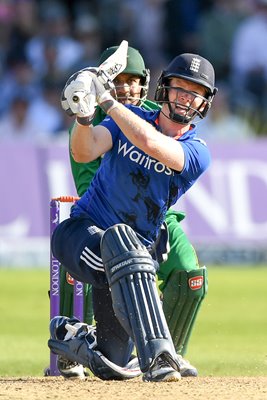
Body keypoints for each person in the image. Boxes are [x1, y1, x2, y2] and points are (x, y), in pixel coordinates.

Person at [48, 51, 217, 382]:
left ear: (205, 103)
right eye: (180, 87)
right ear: (164, 90)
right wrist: (84, 117)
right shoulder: (127, 118)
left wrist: (108, 101)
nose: (186, 97)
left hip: (129, 258)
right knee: (124, 246)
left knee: (114, 364)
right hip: (81, 234)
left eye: (194, 92)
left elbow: (152, 144)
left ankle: (71, 336)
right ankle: (160, 355)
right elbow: (85, 150)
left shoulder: (199, 152)